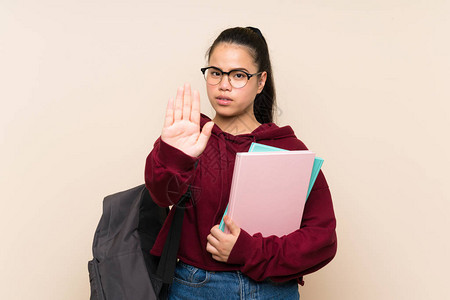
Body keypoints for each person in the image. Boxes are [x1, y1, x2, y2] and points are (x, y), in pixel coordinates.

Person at [145, 27, 337, 300]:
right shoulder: (188, 133)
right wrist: (174, 153)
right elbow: (161, 194)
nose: (224, 85)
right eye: (215, 73)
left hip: (272, 291)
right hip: (195, 288)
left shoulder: (287, 148)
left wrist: (248, 251)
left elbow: (322, 238)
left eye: (238, 75)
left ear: (260, 82)